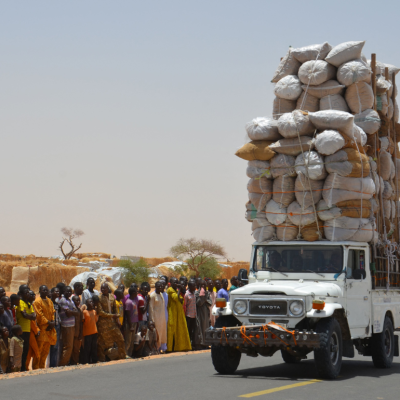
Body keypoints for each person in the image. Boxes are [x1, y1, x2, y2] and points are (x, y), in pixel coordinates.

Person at [97, 283, 126, 362]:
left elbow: (115, 310)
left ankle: (122, 356)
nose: (103, 290)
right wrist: (112, 316)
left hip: (112, 323)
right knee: (102, 342)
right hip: (103, 324)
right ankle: (102, 359)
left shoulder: (112, 297)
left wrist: (117, 319)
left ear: (108, 288)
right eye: (101, 289)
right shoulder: (99, 298)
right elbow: (100, 312)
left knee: (120, 339)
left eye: (104, 288)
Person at [32, 285, 56, 370]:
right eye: (43, 290)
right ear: (39, 291)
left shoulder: (50, 301)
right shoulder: (37, 301)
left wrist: (52, 322)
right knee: (39, 351)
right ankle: (35, 368)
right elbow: (39, 315)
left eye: (46, 290)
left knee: (46, 351)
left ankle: (42, 368)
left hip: (49, 330)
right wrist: (49, 323)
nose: (45, 291)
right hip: (42, 329)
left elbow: (53, 312)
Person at [167, 278, 191, 352]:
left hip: (178, 312)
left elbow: (181, 300)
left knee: (179, 329)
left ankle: (179, 347)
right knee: (171, 330)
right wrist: (180, 289)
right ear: (170, 283)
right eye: (174, 282)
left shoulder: (176, 290)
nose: (176, 284)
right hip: (172, 312)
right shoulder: (170, 290)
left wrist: (179, 291)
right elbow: (175, 298)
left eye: (177, 282)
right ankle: (169, 348)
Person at [16, 287, 36, 371]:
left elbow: (34, 316)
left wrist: (29, 316)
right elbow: (25, 315)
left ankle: (24, 367)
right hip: (21, 330)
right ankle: (19, 367)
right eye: (26, 293)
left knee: (26, 349)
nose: (27, 294)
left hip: (27, 329)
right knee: (20, 350)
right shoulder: (20, 303)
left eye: (28, 293)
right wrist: (30, 316)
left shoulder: (28, 303)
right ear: (21, 294)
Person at [58, 286, 79, 366]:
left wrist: (72, 312)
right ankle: (63, 364)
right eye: (67, 291)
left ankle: (65, 362)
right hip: (66, 326)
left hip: (71, 325)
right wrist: (73, 312)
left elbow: (76, 312)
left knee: (69, 346)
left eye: (70, 292)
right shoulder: (63, 300)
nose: (69, 293)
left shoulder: (70, 300)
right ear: (64, 292)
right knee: (68, 346)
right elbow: (68, 313)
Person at [148, 281, 166, 351]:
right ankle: (156, 349)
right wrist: (152, 320)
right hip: (156, 318)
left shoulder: (161, 294)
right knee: (157, 334)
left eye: (161, 286)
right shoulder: (153, 295)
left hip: (162, 318)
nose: (160, 287)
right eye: (158, 286)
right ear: (155, 286)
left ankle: (161, 348)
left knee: (162, 333)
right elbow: (151, 308)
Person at [80, 298, 98, 364]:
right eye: (90, 302)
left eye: (92, 301)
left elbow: (95, 320)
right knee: (87, 348)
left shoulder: (94, 311)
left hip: (94, 332)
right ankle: (86, 361)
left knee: (94, 347)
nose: (91, 303)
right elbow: (82, 322)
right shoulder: (84, 312)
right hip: (87, 333)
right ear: (87, 304)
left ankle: (94, 360)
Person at [196, 280, 212, 348]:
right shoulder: (197, 293)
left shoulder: (207, 293)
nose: (203, 286)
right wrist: (202, 297)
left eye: (204, 285)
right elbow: (199, 303)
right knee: (200, 327)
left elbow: (210, 303)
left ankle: (206, 343)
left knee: (206, 327)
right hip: (199, 313)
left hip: (206, 313)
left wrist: (205, 299)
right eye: (201, 285)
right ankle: (200, 343)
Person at [124, 286, 139, 357]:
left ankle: (130, 354)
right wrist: (130, 326)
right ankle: (126, 354)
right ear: (133, 293)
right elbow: (127, 315)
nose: (137, 293)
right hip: (130, 323)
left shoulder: (134, 300)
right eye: (136, 291)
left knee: (132, 339)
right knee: (128, 340)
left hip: (135, 322)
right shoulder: (128, 302)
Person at [49, 287, 61, 368]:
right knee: (50, 346)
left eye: (58, 291)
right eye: (56, 291)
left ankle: (54, 365)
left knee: (55, 346)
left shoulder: (56, 304)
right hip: (50, 327)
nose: (57, 293)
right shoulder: (49, 303)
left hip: (57, 326)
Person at [70, 295, 83, 365]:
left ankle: (75, 362)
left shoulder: (79, 310)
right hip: (71, 333)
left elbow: (81, 322)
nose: (78, 302)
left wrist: (81, 333)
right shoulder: (71, 310)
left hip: (77, 333)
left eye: (79, 300)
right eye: (76, 300)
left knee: (76, 349)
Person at [184, 279, 197, 348]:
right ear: (189, 286)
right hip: (188, 315)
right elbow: (185, 305)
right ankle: (188, 345)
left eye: (195, 285)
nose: (194, 287)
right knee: (188, 331)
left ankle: (192, 344)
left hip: (194, 315)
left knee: (193, 331)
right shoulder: (186, 294)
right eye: (193, 286)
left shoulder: (195, 293)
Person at [159, 279, 168, 353]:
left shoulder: (166, 295)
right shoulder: (154, 294)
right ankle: (158, 347)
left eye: (163, 284)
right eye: (161, 284)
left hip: (165, 314)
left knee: (164, 331)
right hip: (158, 315)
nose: (162, 286)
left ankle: (164, 347)